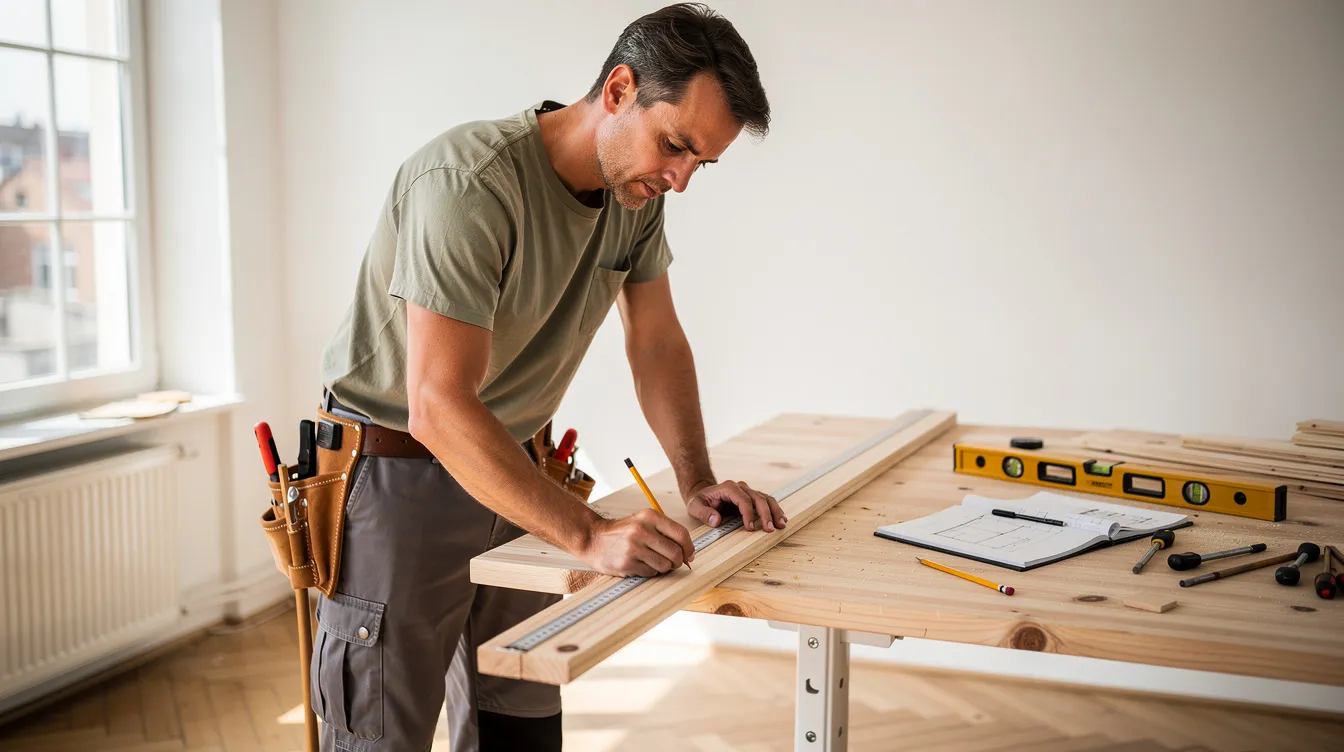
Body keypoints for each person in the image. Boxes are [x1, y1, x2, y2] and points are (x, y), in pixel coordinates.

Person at [313, 3, 776, 750]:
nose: (682, 179)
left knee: (520, 726)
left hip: (517, 470)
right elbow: (437, 403)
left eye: (701, 163)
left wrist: (696, 480)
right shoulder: (468, 183)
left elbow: (655, 343)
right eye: (676, 146)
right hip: (398, 479)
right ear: (620, 89)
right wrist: (588, 534)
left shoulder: (637, 195)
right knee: (378, 736)